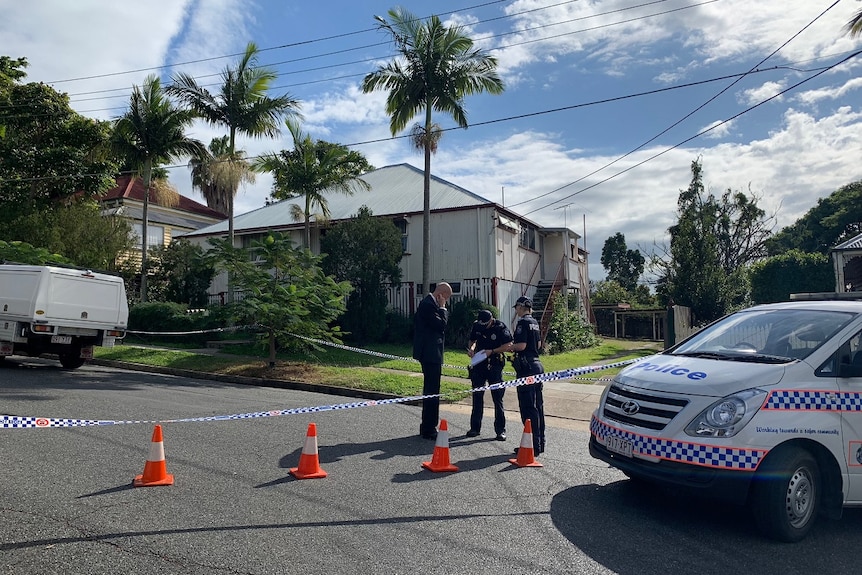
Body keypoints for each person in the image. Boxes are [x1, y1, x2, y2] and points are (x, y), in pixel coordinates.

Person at [466, 309, 513, 441]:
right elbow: (472, 340)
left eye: (485, 324)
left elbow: (508, 345)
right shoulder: (477, 325)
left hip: (495, 364)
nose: (482, 326)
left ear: (491, 320)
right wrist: (472, 349)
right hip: (479, 364)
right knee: (477, 395)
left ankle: (500, 430)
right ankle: (475, 428)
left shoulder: (500, 327)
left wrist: (492, 351)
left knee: (497, 398)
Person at [413, 282, 452, 439]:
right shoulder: (428, 305)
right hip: (429, 353)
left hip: (431, 353)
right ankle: (429, 428)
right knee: (432, 391)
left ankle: (427, 425)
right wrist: (443, 308)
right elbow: (441, 325)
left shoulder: (428, 304)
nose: (446, 302)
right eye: (446, 298)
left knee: (431, 390)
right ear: (440, 295)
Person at [511, 295, 545, 455]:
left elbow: (521, 345)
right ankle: (540, 443)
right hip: (537, 365)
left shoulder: (523, 322)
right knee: (538, 406)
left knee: (527, 407)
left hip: (526, 368)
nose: (516, 311)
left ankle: (531, 446)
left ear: (520, 307)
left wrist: (509, 347)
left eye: (516, 308)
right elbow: (538, 344)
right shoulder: (534, 322)